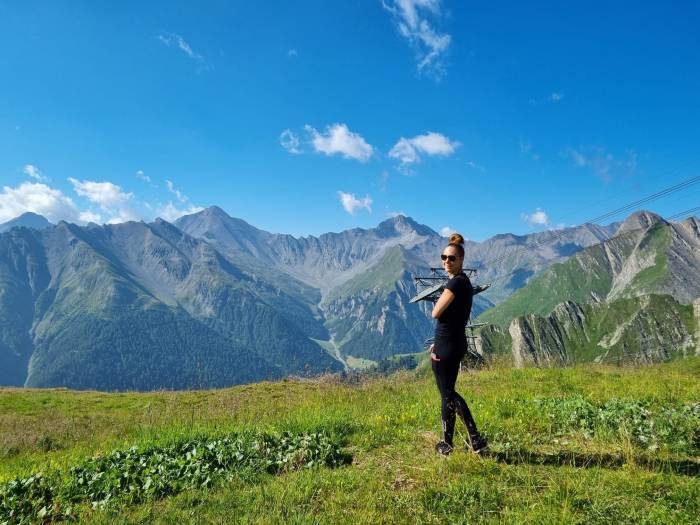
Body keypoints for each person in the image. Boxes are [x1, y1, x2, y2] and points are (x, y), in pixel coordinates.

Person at [430, 233, 487, 456]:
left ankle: (474, 439)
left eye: (451, 258)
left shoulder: (455, 283)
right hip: (454, 343)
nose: (446, 261)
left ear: (461, 260)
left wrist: (438, 345)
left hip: (446, 346)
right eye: (443, 257)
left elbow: (436, 313)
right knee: (448, 394)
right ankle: (449, 443)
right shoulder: (464, 282)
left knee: (448, 395)